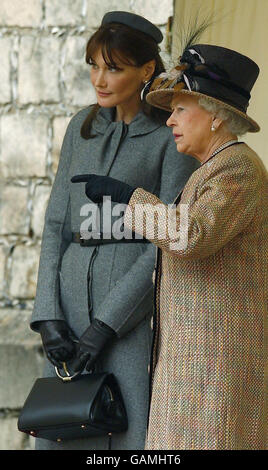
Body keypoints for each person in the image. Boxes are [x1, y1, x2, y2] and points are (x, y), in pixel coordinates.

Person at [76, 43, 268, 449]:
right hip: (194, 365)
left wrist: (130, 198)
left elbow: (191, 235)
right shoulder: (214, 168)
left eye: (180, 109)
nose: (170, 121)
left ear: (215, 115)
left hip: (215, 369)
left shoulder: (237, 168)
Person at [30, 11, 199, 450]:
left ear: (147, 70)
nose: (99, 79)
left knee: (126, 430)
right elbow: (55, 226)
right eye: (94, 66)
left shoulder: (170, 135)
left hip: (130, 317)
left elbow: (167, 239)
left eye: (114, 67)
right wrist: (48, 314)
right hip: (68, 309)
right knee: (63, 425)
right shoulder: (79, 128)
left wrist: (108, 323)